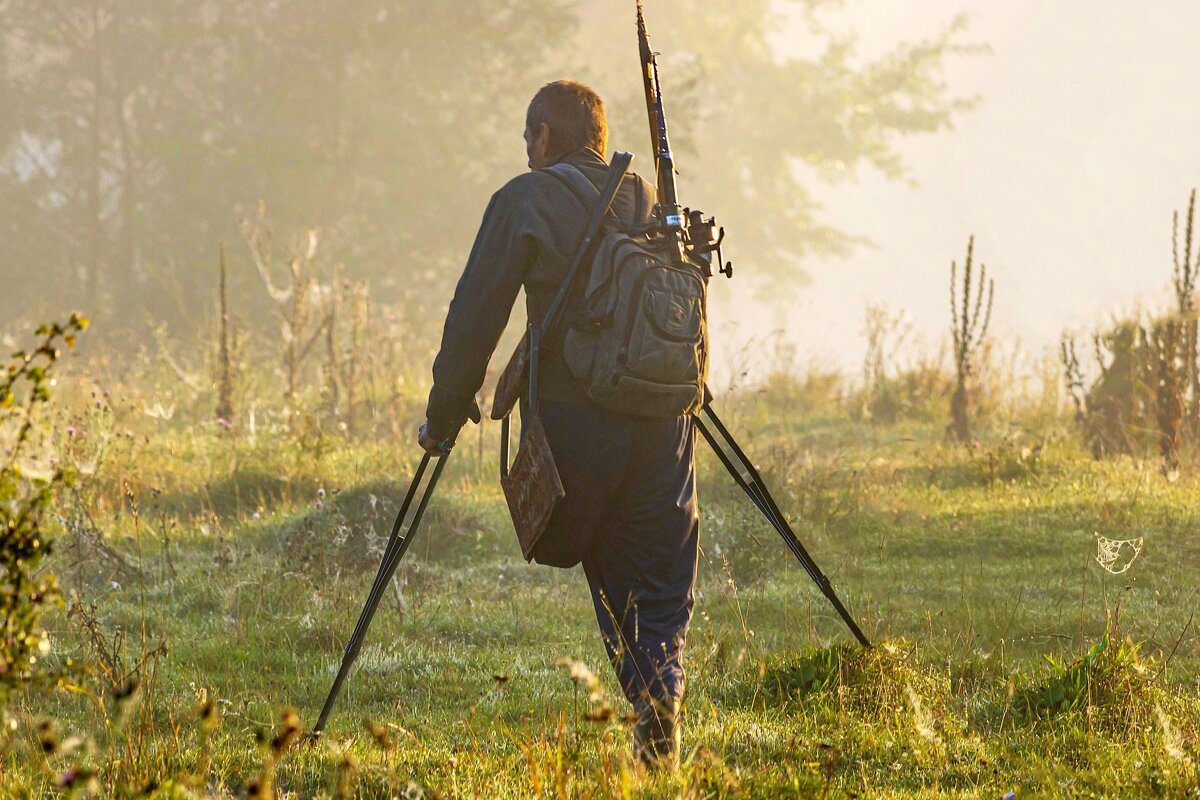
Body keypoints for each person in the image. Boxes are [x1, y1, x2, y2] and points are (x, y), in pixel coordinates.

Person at [418, 80, 699, 768]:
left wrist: (445, 412)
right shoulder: (654, 204)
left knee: (607, 565)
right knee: (661, 588)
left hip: (580, 424)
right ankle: (662, 700)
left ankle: (650, 712)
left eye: (527, 135)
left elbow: (476, 310)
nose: (525, 147)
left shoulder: (525, 199)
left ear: (545, 136)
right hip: (668, 423)